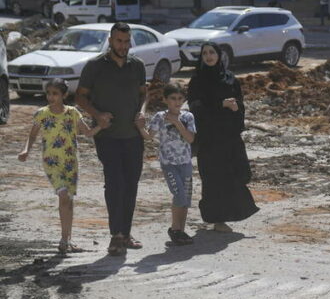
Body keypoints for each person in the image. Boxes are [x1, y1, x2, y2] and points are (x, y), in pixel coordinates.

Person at [76, 22, 148, 256]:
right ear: (110, 41)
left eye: (127, 42)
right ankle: (115, 235)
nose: (123, 46)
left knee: (131, 184)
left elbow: (143, 93)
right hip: (107, 136)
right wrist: (97, 115)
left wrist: (143, 111)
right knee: (115, 183)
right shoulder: (95, 66)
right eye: (119, 41)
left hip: (133, 136)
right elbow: (80, 97)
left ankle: (125, 234)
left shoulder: (136, 66)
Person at [18, 80, 105, 255]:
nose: (51, 97)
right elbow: (32, 135)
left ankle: (66, 240)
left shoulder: (73, 113)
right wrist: (26, 150)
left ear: (64, 95)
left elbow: (87, 133)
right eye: (48, 93)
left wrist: (101, 126)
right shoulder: (41, 114)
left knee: (68, 200)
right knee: (63, 195)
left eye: (55, 93)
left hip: (71, 162)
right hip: (51, 162)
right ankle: (65, 240)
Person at [187, 42, 259, 232]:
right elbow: (195, 107)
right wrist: (220, 104)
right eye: (205, 53)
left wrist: (236, 108)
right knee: (212, 178)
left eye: (212, 52)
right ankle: (217, 219)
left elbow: (240, 104)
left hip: (229, 136)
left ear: (219, 55)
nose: (208, 56)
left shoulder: (230, 78)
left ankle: (233, 213)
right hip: (209, 139)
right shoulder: (198, 80)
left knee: (236, 174)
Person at [138, 84, 197, 245]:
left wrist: (177, 122)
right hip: (169, 164)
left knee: (185, 198)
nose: (176, 102)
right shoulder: (159, 116)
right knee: (178, 195)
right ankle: (174, 228)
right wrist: (140, 127)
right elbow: (149, 136)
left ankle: (180, 231)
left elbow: (190, 138)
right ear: (165, 100)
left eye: (179, 98)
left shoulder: (188, 117)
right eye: (172, 98)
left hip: (185, 163)